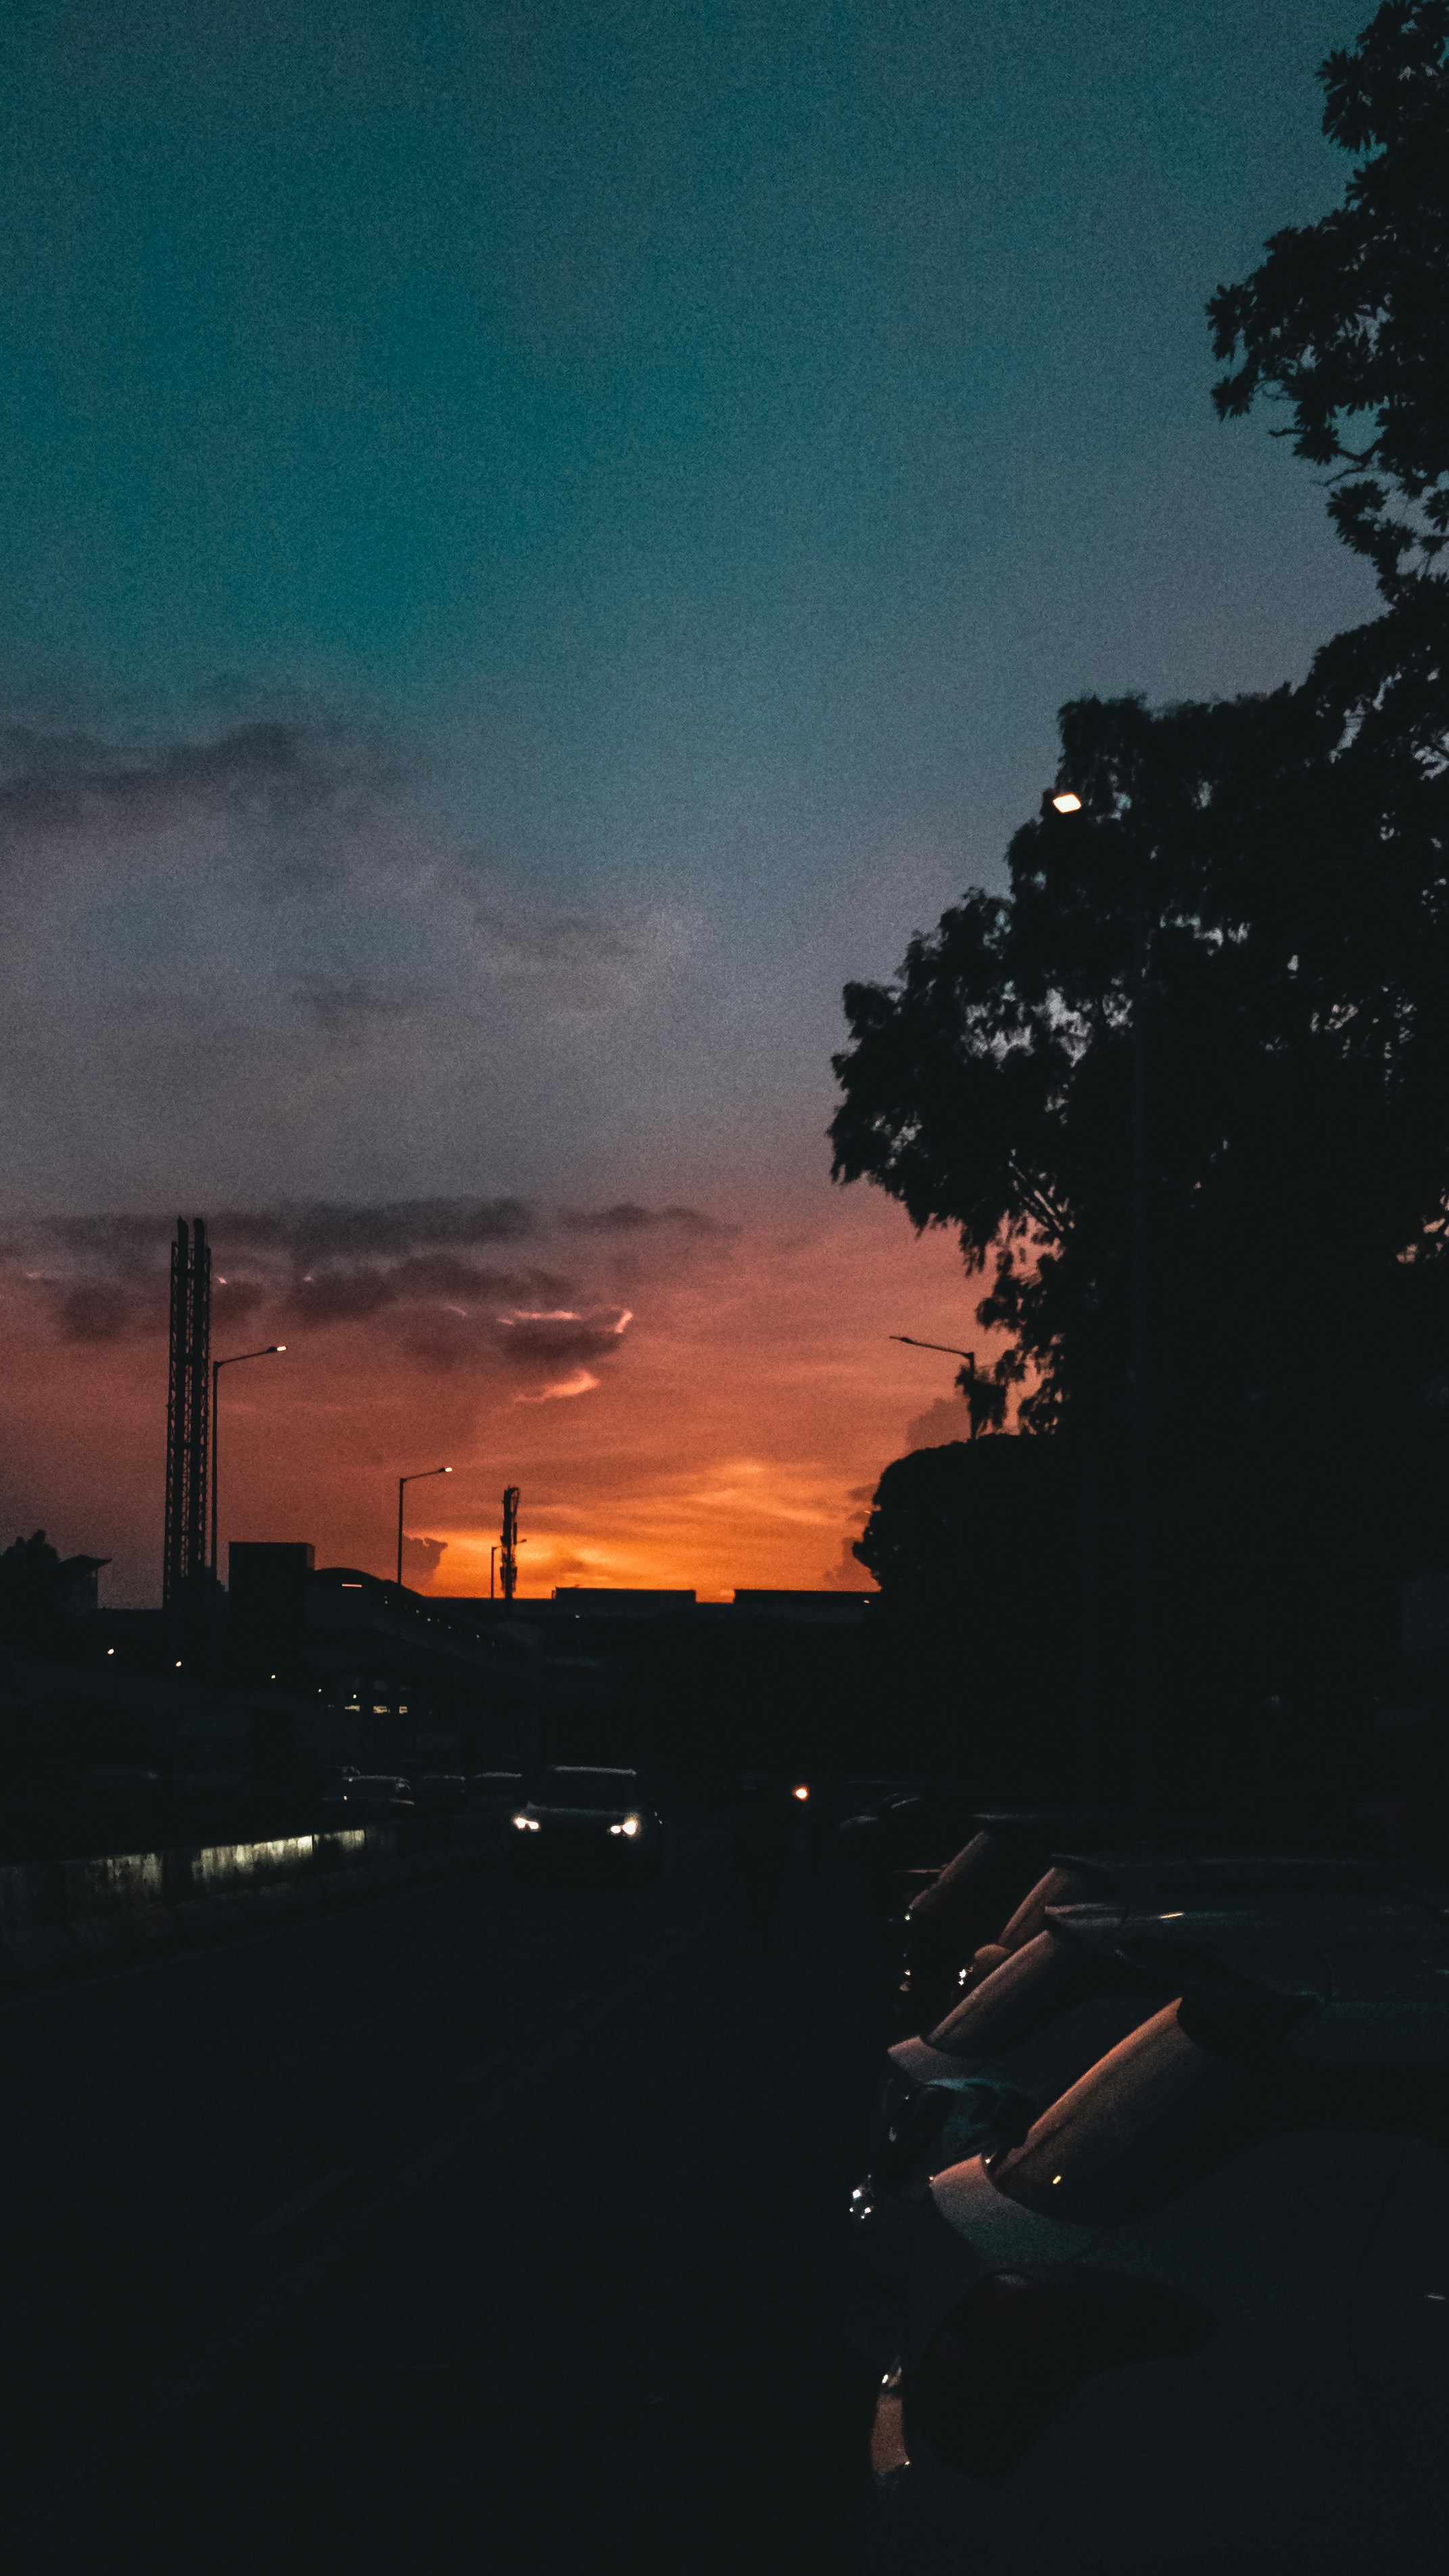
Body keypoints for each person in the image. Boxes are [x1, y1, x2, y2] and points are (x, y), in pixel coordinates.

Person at [731, 1771, 794, 1956]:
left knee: (759, 1896)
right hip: (764, 1859)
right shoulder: (772, 1812)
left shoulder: (753, 1813)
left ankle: (762, 1933)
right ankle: (764, 1934)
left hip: (761, 1859)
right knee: (764, 1896)